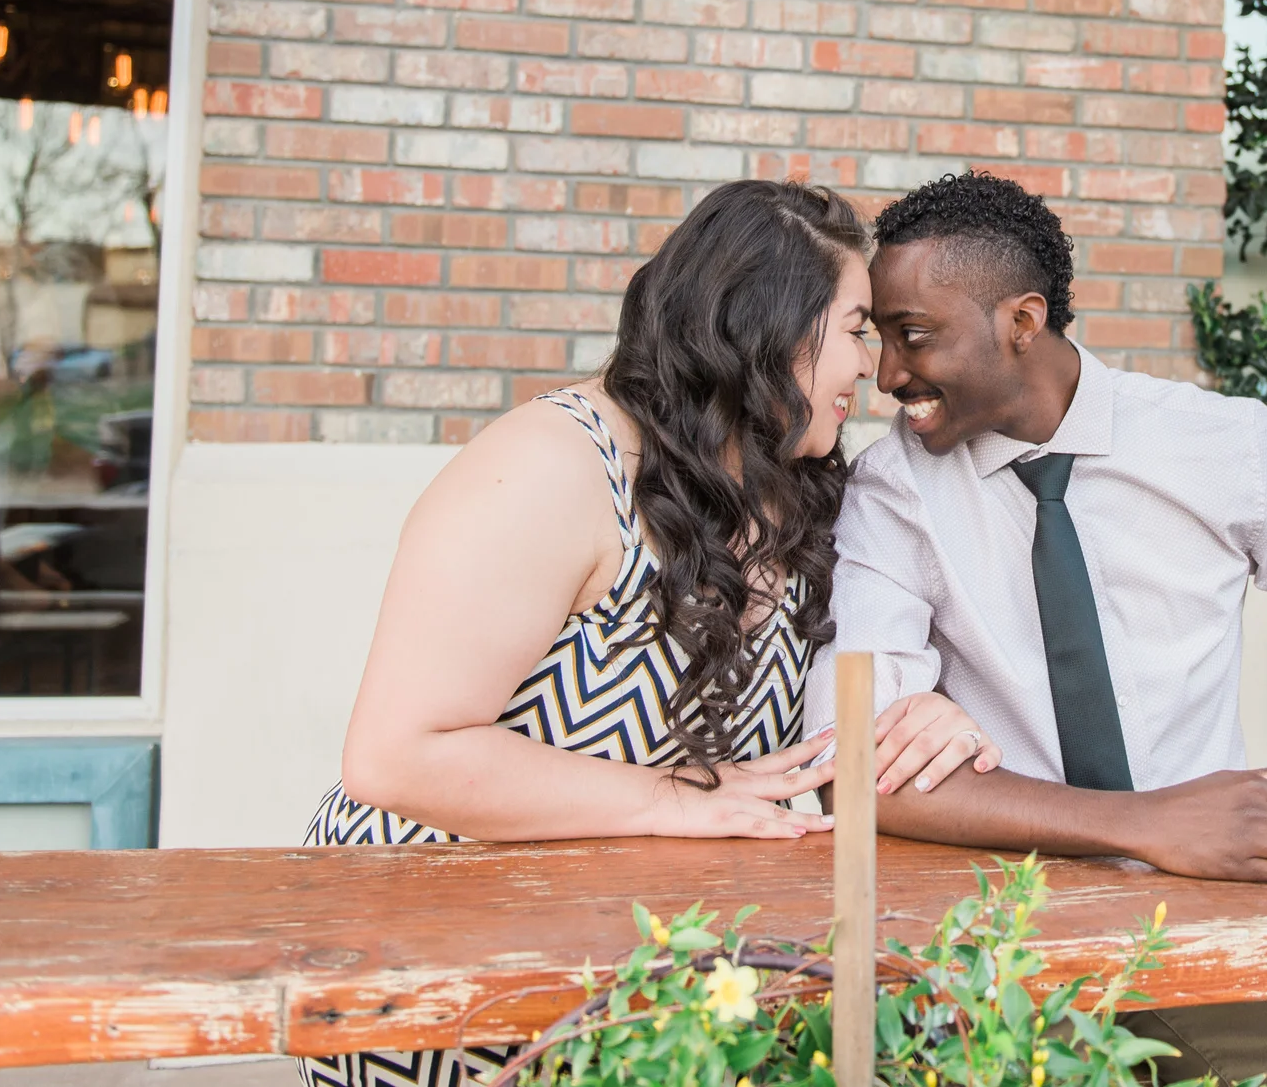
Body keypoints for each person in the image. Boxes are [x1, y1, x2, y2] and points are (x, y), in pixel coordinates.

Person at [303, 179, 998, 1087]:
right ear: (771, 326)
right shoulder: (553, 467)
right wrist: (675, 800)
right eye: (856, 326)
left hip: (646, 988)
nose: (870, 364)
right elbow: (397, 757)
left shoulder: (800, 491)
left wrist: (932, 714)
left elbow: (834, 723)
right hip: (439, 976)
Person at [812, 172, 1267, 1087]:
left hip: (1217, 908)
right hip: (997, 921)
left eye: (913, 336)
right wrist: (1147, 825)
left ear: (1021, 322)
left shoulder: (1222, 445)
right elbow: (856, 767)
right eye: (878, 337)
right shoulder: (894, 487)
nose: (887, 374)